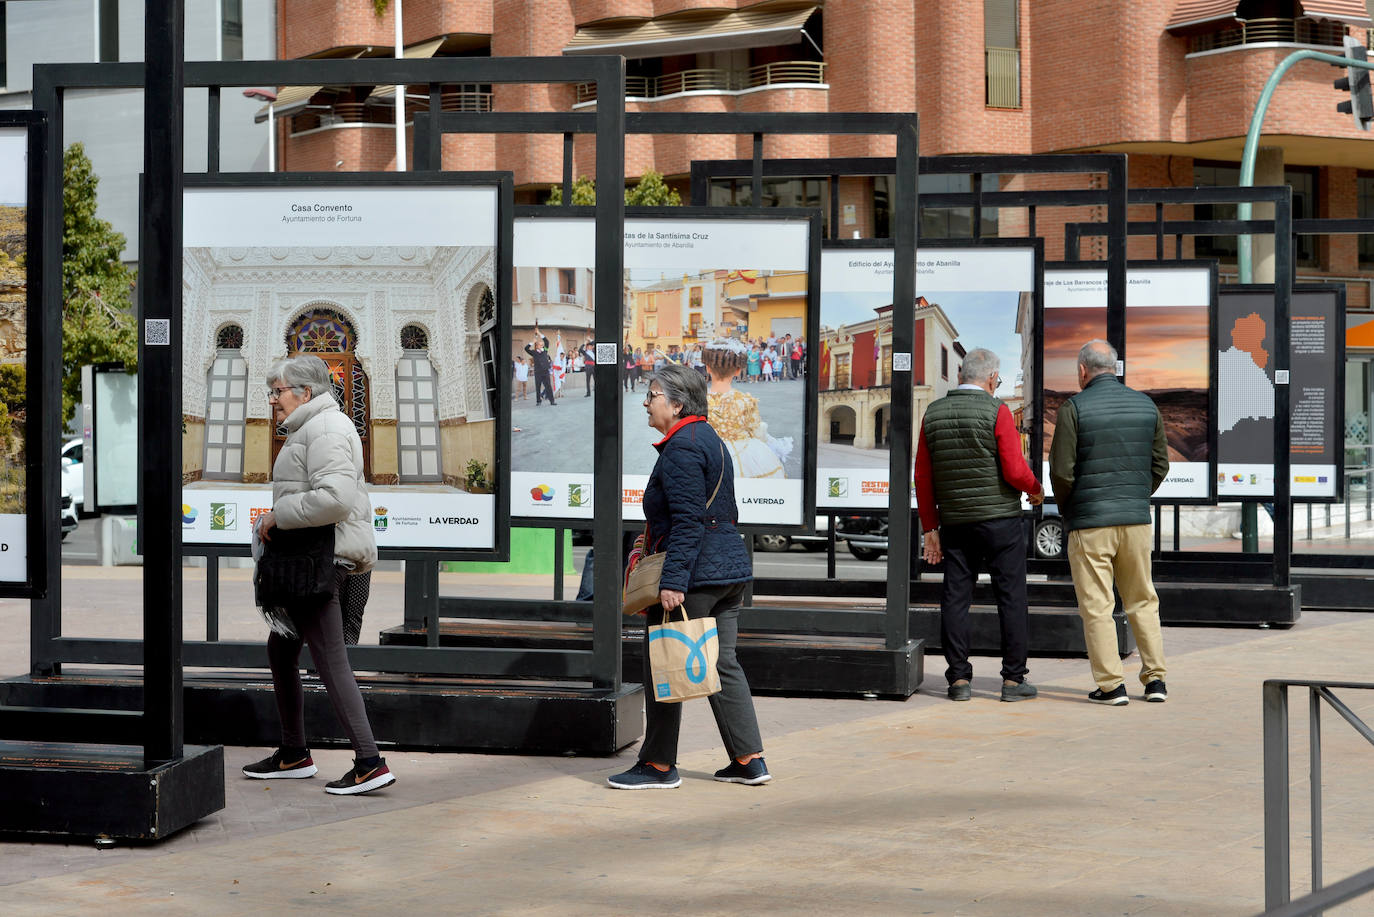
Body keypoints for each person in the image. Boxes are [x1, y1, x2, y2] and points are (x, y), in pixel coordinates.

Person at [608, 363, 769, 789]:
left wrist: (673, 581)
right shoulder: (709, 438)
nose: (646, 402)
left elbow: (688, 520)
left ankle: (658, 766)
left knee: (664, 662)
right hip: (727, 572)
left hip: (694, 575)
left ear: (677, 403)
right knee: (724, 664)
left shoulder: (681, 448)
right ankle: (749, 759)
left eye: (653, 395)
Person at [243, 354, 396, 795]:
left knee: (330, 659)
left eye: (279, 391)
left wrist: (277, 516)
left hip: (322, 562)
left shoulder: (326, 428)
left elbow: (334, 499)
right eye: (271, 391)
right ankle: (294, 753)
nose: (273, 399)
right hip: (310, 560)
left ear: (305, 393)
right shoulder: (310, 427)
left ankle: (369, 761)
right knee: (282, 649)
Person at [916, 348, 1044, 703]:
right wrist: (1035, 489)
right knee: (1012, 598)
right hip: (1000, 521)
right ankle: (1013, 681)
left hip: (956, 523)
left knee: (955, 599)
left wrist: (931, 529)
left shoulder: (933, 413)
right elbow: (1015, 470)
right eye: (998, 380)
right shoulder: (997, 410)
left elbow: (923, 477)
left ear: (960, 374)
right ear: (991, 378)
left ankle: (958, 680)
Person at [1050, 339, 1170, 706]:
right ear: (1115, 368)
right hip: (1135, 521)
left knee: (1098, 606)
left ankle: (1111, 686)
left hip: (1090, 523)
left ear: (1083, 371)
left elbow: (1061, 471)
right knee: (1143, 600)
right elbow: (1160, 464)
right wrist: (1136, 496)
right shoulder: (1146, 405)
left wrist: (1072, 508)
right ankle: (1155, 681)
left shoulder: (1074, 408)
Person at [702, 338, 790, 479]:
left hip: (706, 453)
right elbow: (756, 431)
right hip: (744, 454)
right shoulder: (745, 400)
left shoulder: (698, 400)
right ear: (737, 370)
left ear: (707, 368)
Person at [524, 328, 557, 406]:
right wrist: (532, 342)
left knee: (548, 386)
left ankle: (552, 401)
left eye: (542, 344)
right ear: (537, 345)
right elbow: (526, 348)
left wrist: (539, 333)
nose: (542, 345)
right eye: (540, 344)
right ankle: (538, 401)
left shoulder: (545, 350)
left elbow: (547, 341)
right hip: (538, 372)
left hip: (545, 372)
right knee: (538, 387)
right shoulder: (534, 352)